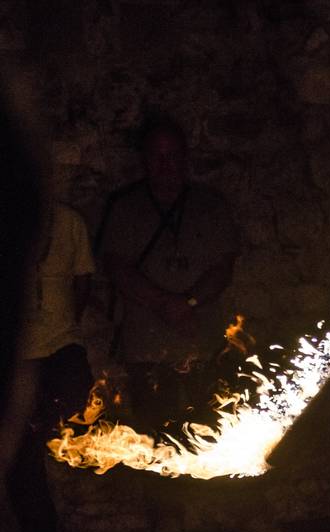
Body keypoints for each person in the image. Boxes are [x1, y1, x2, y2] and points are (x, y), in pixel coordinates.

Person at [98, 116, 240, 432]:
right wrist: (165, 304)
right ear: (145, 160)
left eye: (172, 155)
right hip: (146, 345)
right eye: (158, 156)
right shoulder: (127, 209)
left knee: (207, 429)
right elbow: (117, 267)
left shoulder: (209, 206)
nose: (166, 164)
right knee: (155, 433)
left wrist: (187, 303)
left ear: (185, 157)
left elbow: (223, 267)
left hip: (201, 342)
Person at [4, 202, 96, 532]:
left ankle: (43, 423)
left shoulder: (67, 220)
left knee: (74, 398)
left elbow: (83, 276)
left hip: (61, 342)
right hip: (16, 350)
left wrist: (71, 320)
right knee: (21, 449)